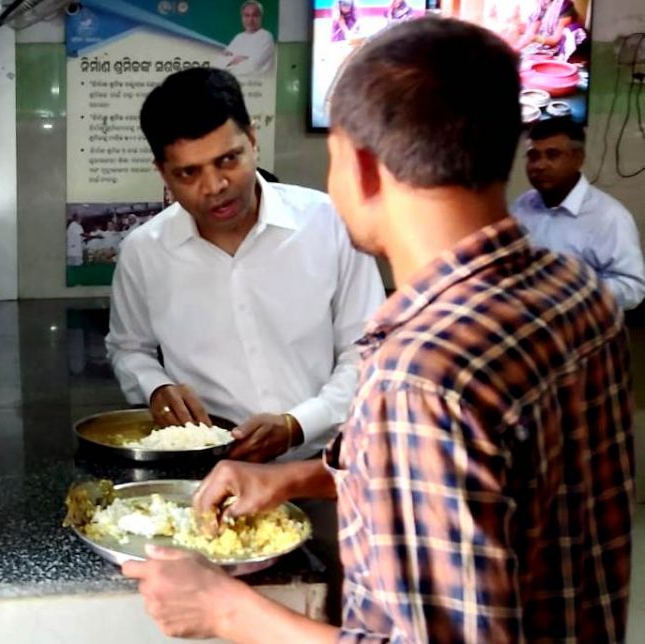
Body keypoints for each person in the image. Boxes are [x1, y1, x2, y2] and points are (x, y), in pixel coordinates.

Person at [122, 18, 634, 642]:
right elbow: (494, 483)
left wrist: (221, 610)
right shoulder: (579, 296)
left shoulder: (420, 375)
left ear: (361, 167)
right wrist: (301, 476)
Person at [106, 67, 384, 463]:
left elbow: (369, 350)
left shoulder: (328, 223)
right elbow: (128, 348)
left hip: (331, 465)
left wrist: (298, 424)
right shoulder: (144, 252)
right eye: (188, 173)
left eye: (228, 159)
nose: (215, 186)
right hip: (210, 469)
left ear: (253, 140)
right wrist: (155, 387)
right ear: (163, 174)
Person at [512, 117, 645, 311]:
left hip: (579, 332)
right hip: (524, 325)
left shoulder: (609, 217)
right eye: (533, 156)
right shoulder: (522, 205)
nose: (540, 165)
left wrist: (567, 292)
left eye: (552, 155)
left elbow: (633, 288)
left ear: (578, 158)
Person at [214, 1, 276, 75]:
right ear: (242, 18)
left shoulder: (266, 36)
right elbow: (218, 62)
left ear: (260, 17)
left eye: (255, 15)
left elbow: (253, 66)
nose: (250, 20)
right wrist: (237, 59)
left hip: (256, 83)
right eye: (246, 15)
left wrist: (230, 61)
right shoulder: (239, 37)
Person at [516, 0, 587, 60]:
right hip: (546, 44)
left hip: (561, 44)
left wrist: (535, 38)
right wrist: (515, 49)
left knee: (573, 30)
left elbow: (555, 40)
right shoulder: (540, 8)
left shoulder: (564, 6)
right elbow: (530, 33)